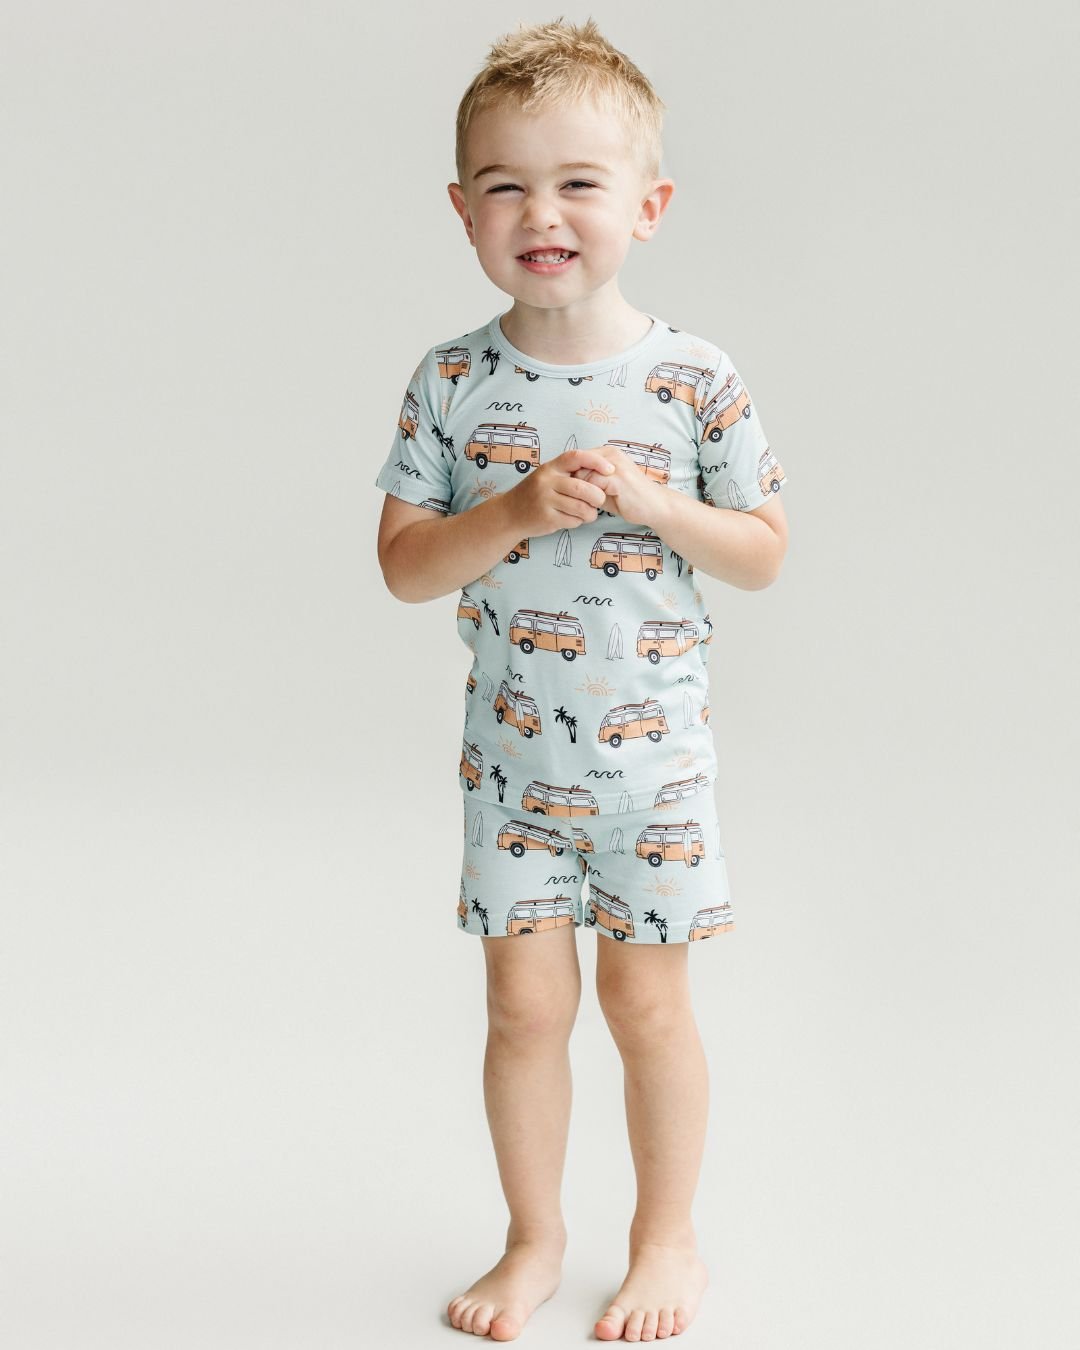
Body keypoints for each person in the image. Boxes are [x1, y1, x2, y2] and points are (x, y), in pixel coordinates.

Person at [373, 17, 789, 1343]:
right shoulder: (449, 382)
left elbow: (766, 552)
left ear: (647, 205)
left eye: (577, 183)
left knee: (645, 999)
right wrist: (510, 511)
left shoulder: (695, 379)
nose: (539, 211)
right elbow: (404, 567)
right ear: (463, 211)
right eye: (504, 185)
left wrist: (663, 509)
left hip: (651, 765)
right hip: (512, 772)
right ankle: (534, 1236)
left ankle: (666, 1238)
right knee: (522, 1004)